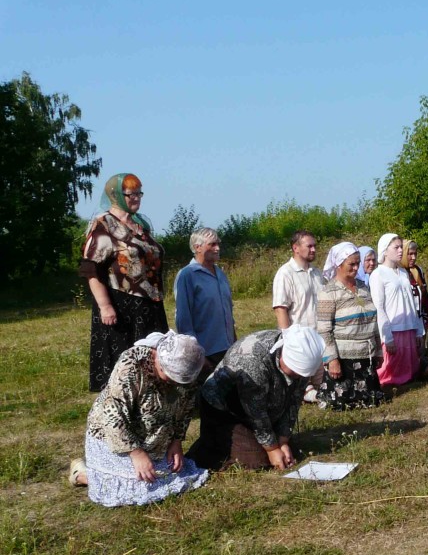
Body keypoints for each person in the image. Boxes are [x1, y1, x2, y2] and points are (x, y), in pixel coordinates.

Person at [67, 331, 208, 507]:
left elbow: (185, 408)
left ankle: (98, 473)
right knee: (141, 485)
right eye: (171, 378)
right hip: (114, 436)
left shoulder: (187, 366)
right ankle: (82, 474)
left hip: (155, 438)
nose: (176, 384)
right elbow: (113, 412)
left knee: (168, 476)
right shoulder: (131, 365)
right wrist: (136, 453)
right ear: (159, 361)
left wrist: (176, 440)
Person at [187, 326, 325, 471]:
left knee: (290, 450)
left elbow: (294, 401)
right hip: (225, 410)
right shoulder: (252, 361)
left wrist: (283, 441)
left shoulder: (303, 363)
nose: (297, 377)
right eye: (294, 371)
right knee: (259, 461)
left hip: (262, 409)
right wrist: (272, 449)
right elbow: (256, 413)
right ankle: (210, 444)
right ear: (284, 354)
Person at [79, 173, 168, 391]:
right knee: (125, 365)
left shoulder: (140, 225)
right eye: (131, 194)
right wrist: (105, 306)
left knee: (152, 361)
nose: (137, 198)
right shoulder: (104, 225)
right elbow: (91, 269)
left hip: (150, 303)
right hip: (122, 305)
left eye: (139, 193)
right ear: (116, 195)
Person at [315, 242, 385, 410]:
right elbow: (324, 329)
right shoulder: (329, 292)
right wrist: (332, 360)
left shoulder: (362, 287)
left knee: (372, 402)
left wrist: (378, 350)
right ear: (338, 265)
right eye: (351, 264)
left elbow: (373, 320)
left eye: (357, 263)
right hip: (343, 359)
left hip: (365, 355)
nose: (356, 268)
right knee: (340, 405)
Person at [174, 227, 236, 368]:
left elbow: (228, 312)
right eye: (212, 244)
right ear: (198, 248)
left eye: (218, 244)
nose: (218, 248)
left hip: (227, 348)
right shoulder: (187, 275)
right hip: (206, 352)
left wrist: (234, 341)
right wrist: (197, 355)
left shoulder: (220, 274)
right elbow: (184, 320)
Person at [369, 233, 424, 387]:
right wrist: (387, 336)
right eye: (396, 247)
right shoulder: (378, 274)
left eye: (401, 247)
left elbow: (413, 302)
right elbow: (379, 306)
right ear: (385, 251)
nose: (401, 250)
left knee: (409, 367)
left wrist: (418, 330)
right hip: (394, 327)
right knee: (390, 368)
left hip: (408, 325)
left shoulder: (403, 272)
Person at [272, 230, 323, 329]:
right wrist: (288, 338)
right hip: (299, 338)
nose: (313, 250)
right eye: (309, 246)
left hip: (319, 337)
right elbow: (280, 309)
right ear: (296, 248)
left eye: (314, 246)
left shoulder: (317, 273)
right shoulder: (285, 273)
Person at [401, 240, 428, 338]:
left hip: (420, 318)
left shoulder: (417, 270)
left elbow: (424, 295)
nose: (413, 258)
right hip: (405, 322)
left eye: (415, 254)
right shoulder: (398, 273)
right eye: (410, 254)